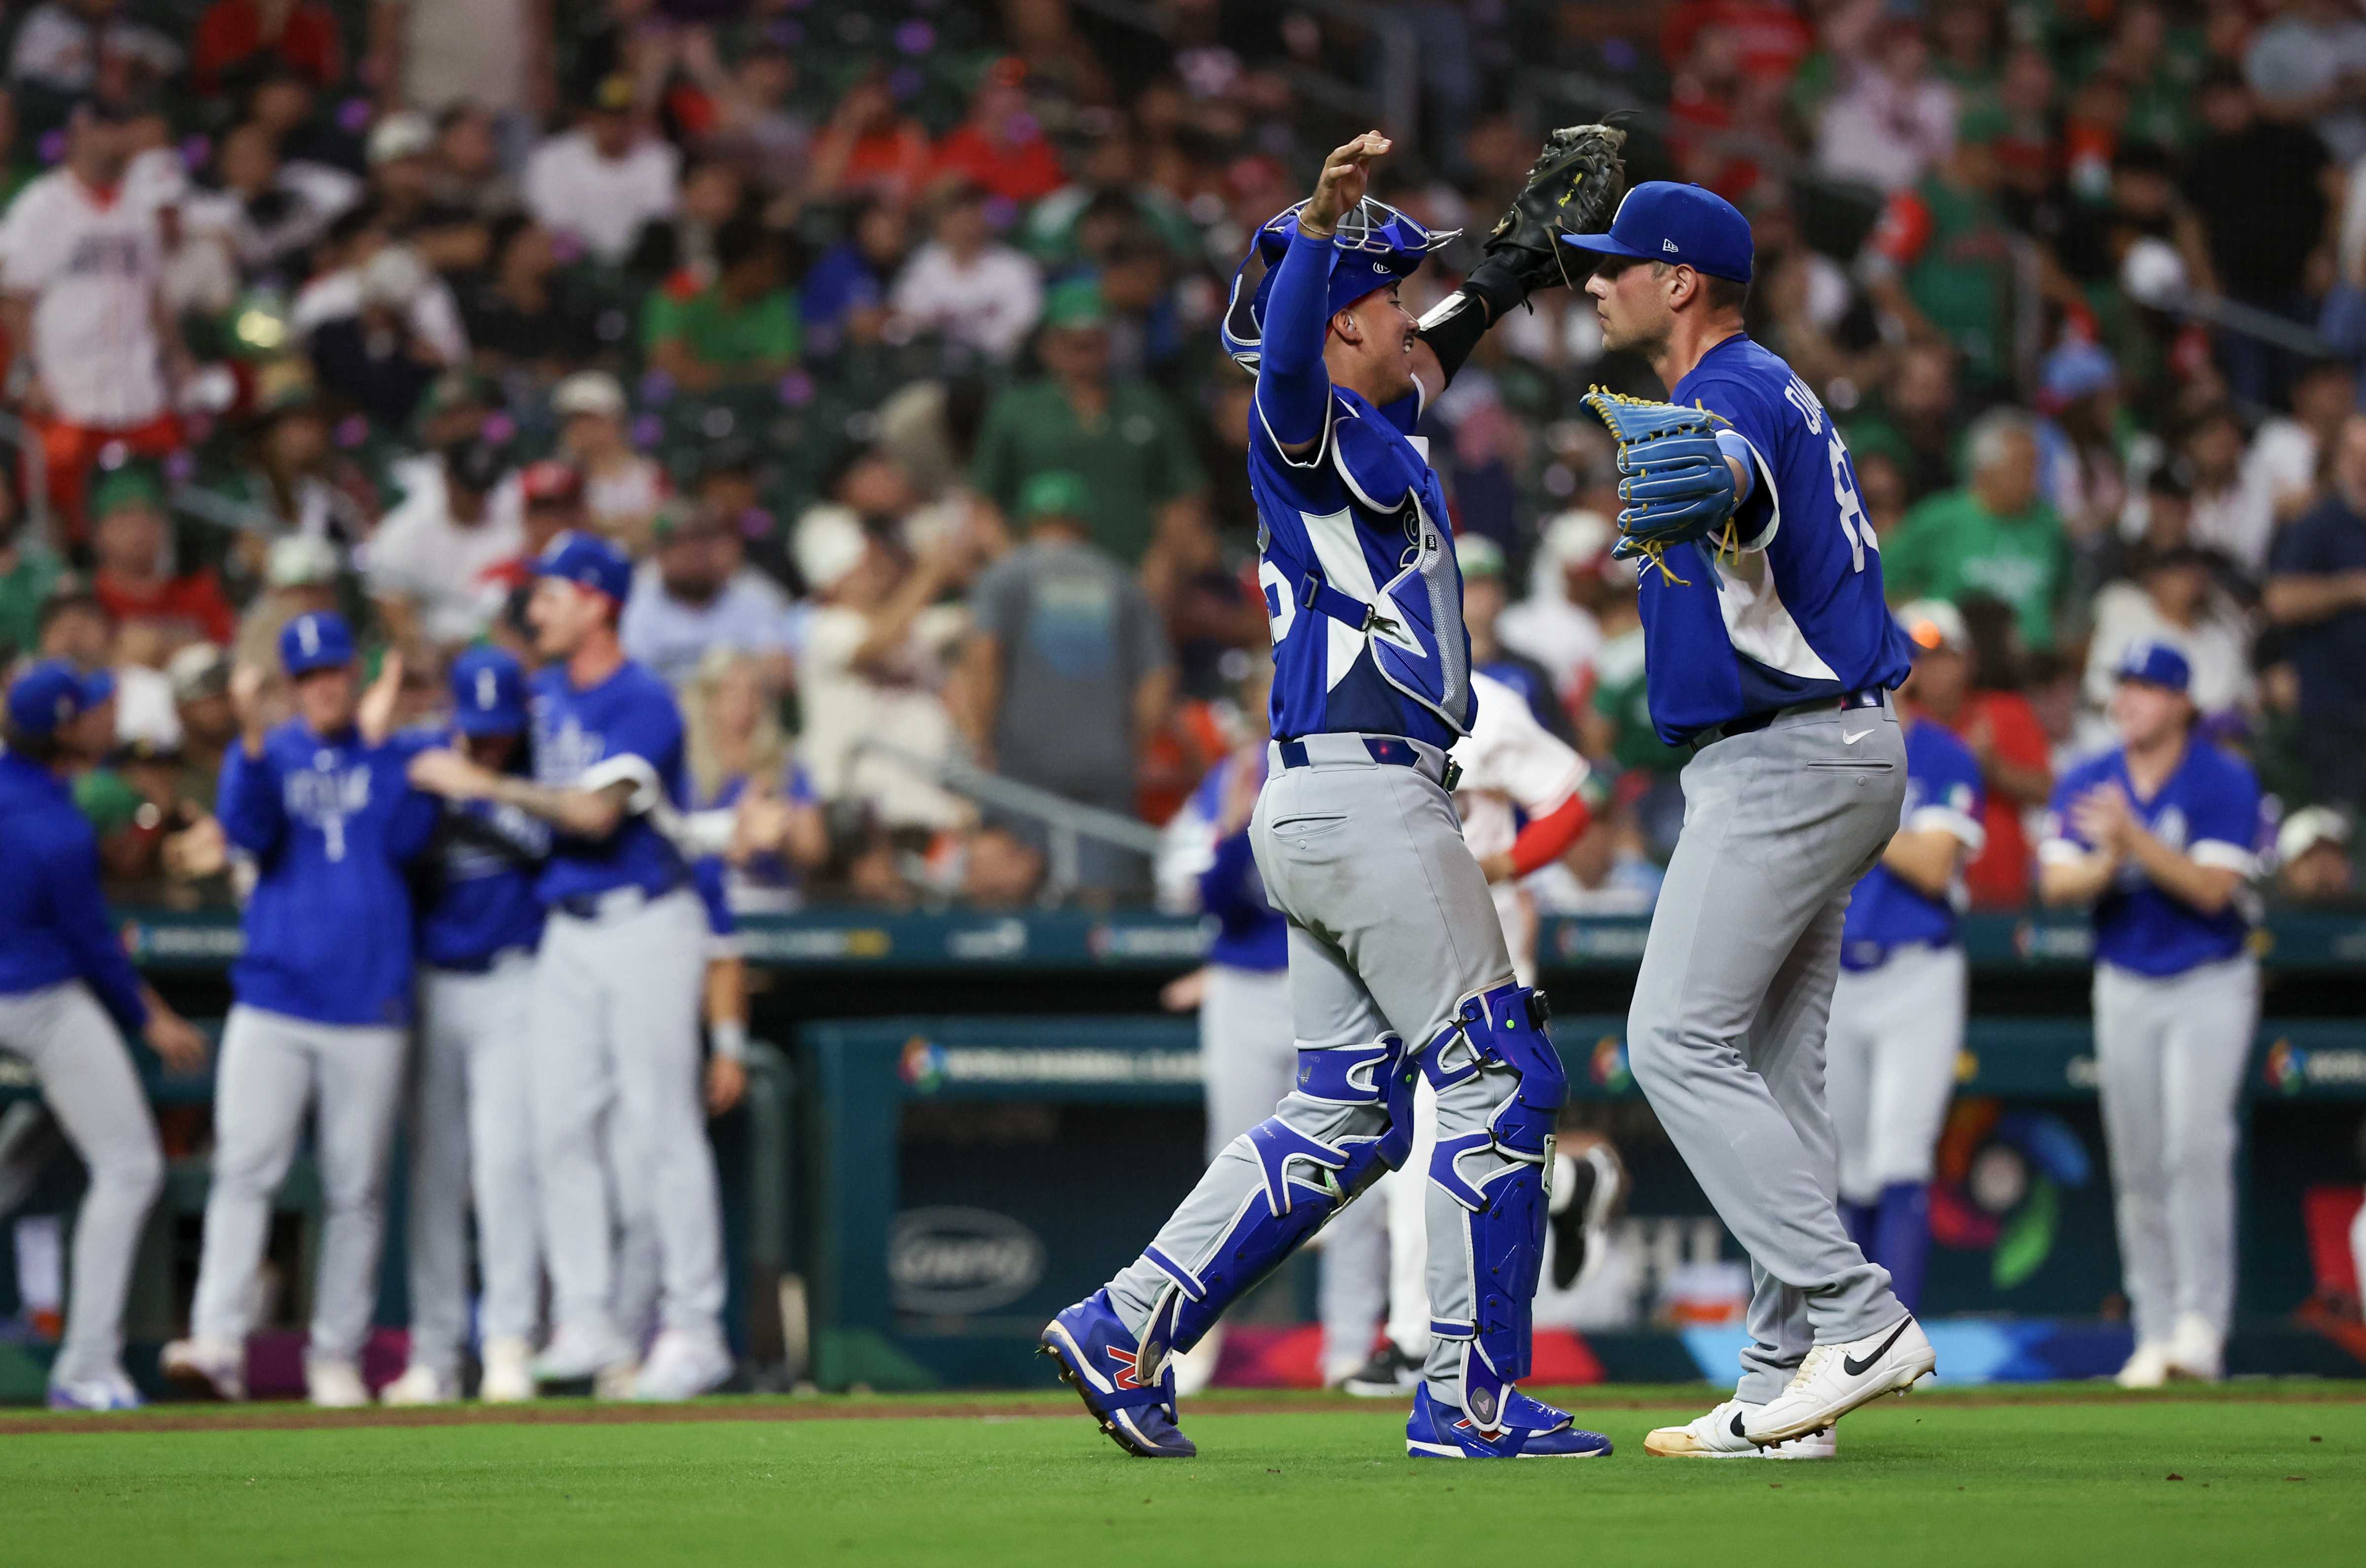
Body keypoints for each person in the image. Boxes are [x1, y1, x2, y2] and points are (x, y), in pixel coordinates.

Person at [1042, 130, 1615, 1461]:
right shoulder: (1298, 419)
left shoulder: (1367, 423)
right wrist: (1315, 225)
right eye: (1395, 291)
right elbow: (1296, 360)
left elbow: (1410, 358)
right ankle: (1468, 1395)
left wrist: (1497, 279)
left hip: (1320, 805)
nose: (1414, 311)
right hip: (1368, 800)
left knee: (1345, 1112)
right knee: (1496, 1075)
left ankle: (1126, 1319)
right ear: (1348, 305)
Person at [1567, 179, 1932, 1459]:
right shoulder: (1759, 382)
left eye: (1617, 264)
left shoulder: (1724, 396)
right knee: (1776, 1072)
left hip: (1786, 754)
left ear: (1681, 282)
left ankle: (1859, 1316)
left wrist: (1706, 478)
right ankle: (1788, 1390)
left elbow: (1728, 475)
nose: (1595, 281)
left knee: (1669, 1041)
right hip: (1828, 748)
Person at [405, 533, 733, 1402]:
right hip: (566, 931)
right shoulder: (541, 689)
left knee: (663, 1130)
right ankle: (587, 1313)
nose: (533, 609)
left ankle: (695, 1329)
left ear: (596, 602)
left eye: (548, 594)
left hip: (646, 921)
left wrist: (485, 790)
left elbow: (591, 814)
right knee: (558, 1128)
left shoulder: (645, 699)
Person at [162, 612, 439, 1407]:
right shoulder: (265, 753)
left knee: (356, 1189)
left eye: (337, 672)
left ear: (353, 675)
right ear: (290, 686)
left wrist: (387, 741)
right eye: (310, 676)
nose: (325, 686)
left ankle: (335, 1356)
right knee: (245, 1171)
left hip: (368, 1002)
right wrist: (249, 735)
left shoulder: (389, 755)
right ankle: (218, 1341)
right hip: (277, 995)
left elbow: (409, 839)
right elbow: (250, 834)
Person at [1353, 668, 1595, 1399]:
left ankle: (1411, 1339)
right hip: (1391, 945)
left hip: (1477, 948)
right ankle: (1571, 1187)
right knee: (1417, 1144)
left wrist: (1505, 863)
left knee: (1432, 1143)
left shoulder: (1483, 698)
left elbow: (1573, 800)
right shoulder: (1338, 697)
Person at [2039, 641, 2263, 1386]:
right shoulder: (2088, 777)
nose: (2128, 700)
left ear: (2179, 703)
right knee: (2137, 1160)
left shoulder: (2221, 777)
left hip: (2209, 977)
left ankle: (2203, 1327)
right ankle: (2155, 1326)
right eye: (2123, 686)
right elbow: (2057, 883)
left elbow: (2212, 889)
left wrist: (2132, 841)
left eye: (2144, 688)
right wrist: (2109, 862)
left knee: (2195, 1147)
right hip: (2125, 976)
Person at [0, 662, 208, 1409]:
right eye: (90, 710)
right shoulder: (55, 823)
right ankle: (85, 1366)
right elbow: (93, 943)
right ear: (64, 726)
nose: (105, 717)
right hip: (38, 1001)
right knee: (129, 1167)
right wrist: (150, 1015)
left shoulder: (42, 795)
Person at [378, 647, 547, 1407]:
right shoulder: (425, 761)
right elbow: (393, 848)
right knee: (437, 1174)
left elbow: (560, 850)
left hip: (516, 980)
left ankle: (509, 1341)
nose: (487, 742)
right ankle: (437, 1352)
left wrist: (484, 783)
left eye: (500, 729)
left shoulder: (538, 773)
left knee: (507, 1168)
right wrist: (434, 790)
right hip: (434, 983)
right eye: (476, 730)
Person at [1824, 604, 1989, 1318]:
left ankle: (1899, 1333)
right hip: (1834, 970)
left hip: (1918, 969)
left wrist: (1860, 804)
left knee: (1902, 1159)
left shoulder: (1947, 752)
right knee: (1846, 1166)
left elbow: (1933, 864)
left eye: (1932, 653)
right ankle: (1850, 1338)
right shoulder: (1823, 744)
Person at [962, 469, 1173, 897]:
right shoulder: (1122, 582)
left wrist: (981, 738)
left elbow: (984, 660)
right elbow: (1158, 678)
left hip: (1024, 759)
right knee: (1100, 897)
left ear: (1027, 521)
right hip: (1105, 759)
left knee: (1018, 891)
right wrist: (1131, 747)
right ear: (1084, 522)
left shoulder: (1004, 577)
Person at [0, 100, 185, 535]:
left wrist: (178, 357)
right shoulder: (40, 204)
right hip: (67, 389)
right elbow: (13, 298)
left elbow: (153, 292)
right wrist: (26, 371)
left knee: (148, 511)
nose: (119, 136)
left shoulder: (141, 204)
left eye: (123, 125)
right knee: (59, 515)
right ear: (80, 129)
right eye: (108, 126)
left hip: (137, 390)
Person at [1883, 409, 2069, 652]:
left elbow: (2060, 596)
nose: (2034, 477)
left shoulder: (2048, 524)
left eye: (2036, 465)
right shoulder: (1940, 519)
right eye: (2022, 466)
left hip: (2035, 670)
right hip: (1961, 668)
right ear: (1985, 471)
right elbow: (1881, 583)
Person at [2264, 411, 2366, 812]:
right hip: (2335, 716)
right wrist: (2353, 588)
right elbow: (2279, 600)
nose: (2363, 467)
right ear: (2338, 458)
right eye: (2355, 455)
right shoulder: (2318, 525)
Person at [366, 436, 523, 656]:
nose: (475, 499)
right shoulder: (404, 533)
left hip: (500, 645)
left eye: (483, 490)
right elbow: (395, 616)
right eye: (467, 489)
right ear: (446, 480)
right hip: (434, 650)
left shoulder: (514, 521)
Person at [619, 501, 793, 690]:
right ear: (660, 556)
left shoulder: (752, 596)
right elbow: (626, 677)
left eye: (701, 542)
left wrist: (738, 676)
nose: (693, 553)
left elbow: (781, 670)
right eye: (679, 545)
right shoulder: (642, 604)